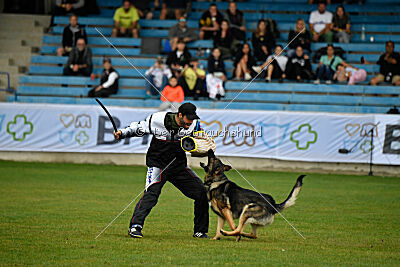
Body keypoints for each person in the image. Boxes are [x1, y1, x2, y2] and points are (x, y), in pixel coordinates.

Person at [114, 102, 209, 239]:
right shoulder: (157, 119)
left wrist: (205, 145)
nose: (190, 123)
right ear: (180, 115)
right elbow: (139, 128)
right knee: (152, 194)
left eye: (193, 119)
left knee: (201, 192)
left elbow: (202, 138)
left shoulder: (193, 125)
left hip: (178, 167)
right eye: (188, 119)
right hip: (157, 164)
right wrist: (122, 133)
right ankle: (135, 226)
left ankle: (200, 231)